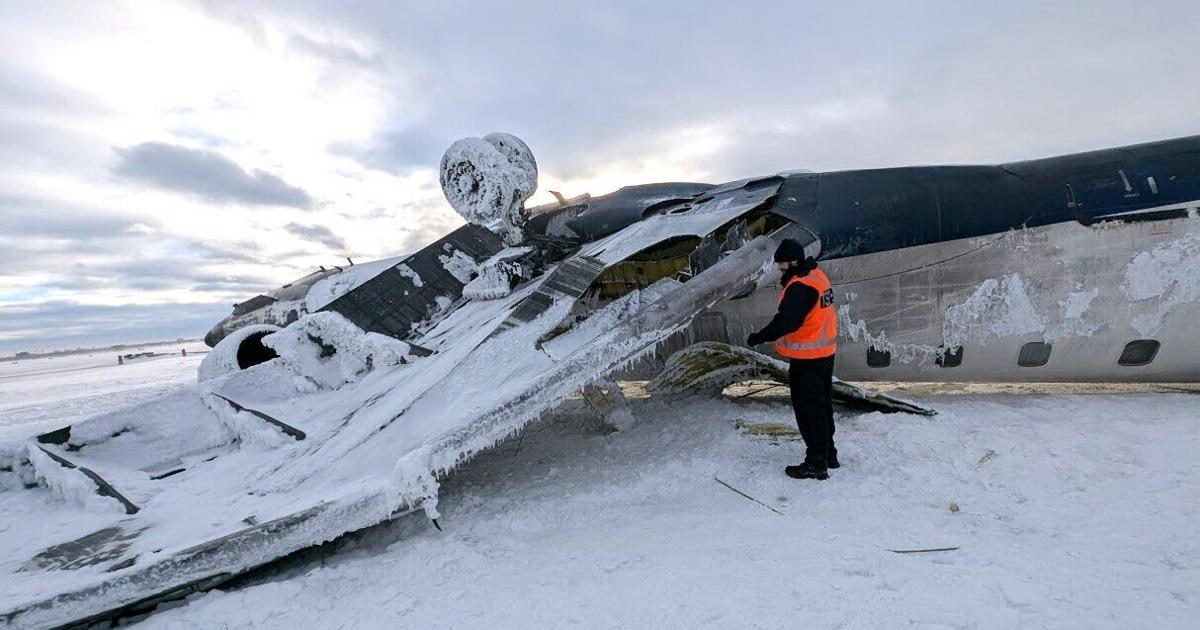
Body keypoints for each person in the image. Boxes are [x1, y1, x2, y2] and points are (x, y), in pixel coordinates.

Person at [746, 238, 838, 480]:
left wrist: (758, 337)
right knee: (822, 406)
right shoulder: (816, 275)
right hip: (824, 355)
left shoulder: (800, 288)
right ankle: (829, 454)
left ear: (794, 262)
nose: (779, 269)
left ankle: (816, 463)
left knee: (809, 412)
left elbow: (787, 322)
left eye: (783, 264)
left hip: (808, 359)